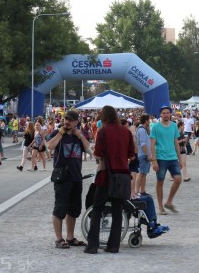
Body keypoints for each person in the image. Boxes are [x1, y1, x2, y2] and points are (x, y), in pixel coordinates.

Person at [85, 106, 135, 254]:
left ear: (103, 116)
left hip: (106, 174)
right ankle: (114, 246)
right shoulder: (126, 132)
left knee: (97, 208)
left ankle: (93, 246)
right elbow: (132, 155)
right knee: (117, 210)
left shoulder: (103, 131)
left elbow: (98, 153)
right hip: (123, 175)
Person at [47, 110, 92, 249]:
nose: (66, 122)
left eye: (70, 120)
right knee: (60, 208)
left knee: (74, 210)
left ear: (76, 122)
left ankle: (70, 237)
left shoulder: (78, 136)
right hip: (62, 178)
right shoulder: (57, 133)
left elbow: (90, 150)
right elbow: (49, 146)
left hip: (76, 177)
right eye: (65, 119)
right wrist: (60, 133)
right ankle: (59, 239)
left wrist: (80, 135)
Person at [150, 105, 182, 215]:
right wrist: (154, 161)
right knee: (160, 182)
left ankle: (168, 202)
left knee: (178, 179)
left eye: (168, 113)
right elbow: (152, 144)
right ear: (160, 114)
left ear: (170, 114)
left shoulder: (174, 126)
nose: (166, 115)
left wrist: (180, 159)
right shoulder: (155, 127)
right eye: (164, 113)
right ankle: (160, 206)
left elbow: (176, 143)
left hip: (172, 157)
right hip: (160, 158)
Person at [136, 114, 152, 196]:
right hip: (143, 154)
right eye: (148, 120)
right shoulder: (141, 130)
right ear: (146, 121)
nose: (149, 121)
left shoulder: (144, 129)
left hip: (144, 154)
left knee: (144, 173)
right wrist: (148, 154)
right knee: (141, 173)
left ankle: (142, 191)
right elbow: (143, 144)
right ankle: (136, 191)